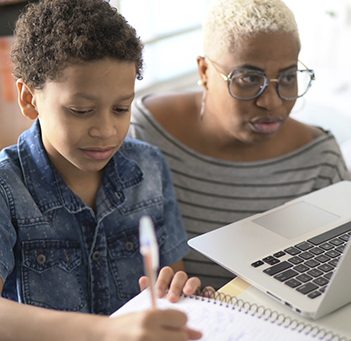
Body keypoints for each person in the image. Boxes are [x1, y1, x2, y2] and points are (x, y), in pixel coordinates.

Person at [0, 0, 203, 340]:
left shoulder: (149, 167)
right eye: (81, 110)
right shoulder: (6, 187)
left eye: (121, 108)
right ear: (28, 98)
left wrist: (176, 294)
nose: (106, 130)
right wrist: (106, 332)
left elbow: (170, 275)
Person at [129, 0, 351, 289]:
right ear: (204, 72)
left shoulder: (320, 159)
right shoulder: (145, 134)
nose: (271, 101)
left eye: (287, 77)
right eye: (248, 78)